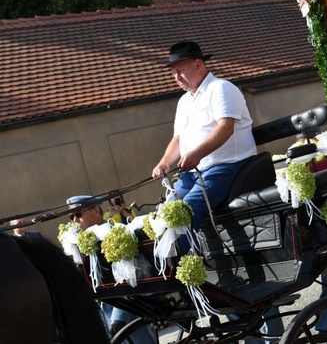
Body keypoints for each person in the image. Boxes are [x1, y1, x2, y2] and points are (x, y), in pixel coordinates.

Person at [151, 41, 257, 233]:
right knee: (165, 213)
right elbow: (178, 138)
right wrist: (164, 162)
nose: (177, 78)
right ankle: (171, 262)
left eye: (180, 71)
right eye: (173, 73)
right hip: (193, 173)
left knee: (184, 212)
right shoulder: (184, 101)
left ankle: (186, 261)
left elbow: (226, 128)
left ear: (198, 65)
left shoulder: (221, 88)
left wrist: (196, 154)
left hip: (227, 166)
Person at [66, 195, 157, 343]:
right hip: (105, 311)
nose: (75, 220)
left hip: (128, 309)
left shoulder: (114, 232)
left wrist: (118, 318)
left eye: (78, 214)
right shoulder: (79, 242)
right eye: (71, 216)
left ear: (96, 211)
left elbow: (131, 276)